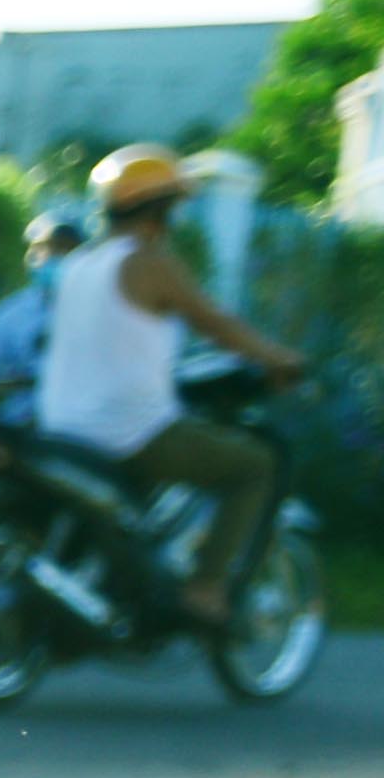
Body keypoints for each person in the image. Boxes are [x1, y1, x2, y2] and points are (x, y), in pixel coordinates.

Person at [39, 144, 308, 624]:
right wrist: (278, 358)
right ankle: (205, 589)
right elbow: (215, 322)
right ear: (160, 208)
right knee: (254, 467)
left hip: (62, 427)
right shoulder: (148, 261)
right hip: (129, 432)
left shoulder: (78, 265)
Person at [0, 205, 85, 404]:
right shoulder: (9, 316)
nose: (56, 256)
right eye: (46, 248)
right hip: (16, 426)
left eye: (66, 248)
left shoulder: (98, 311)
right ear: (29, 255)